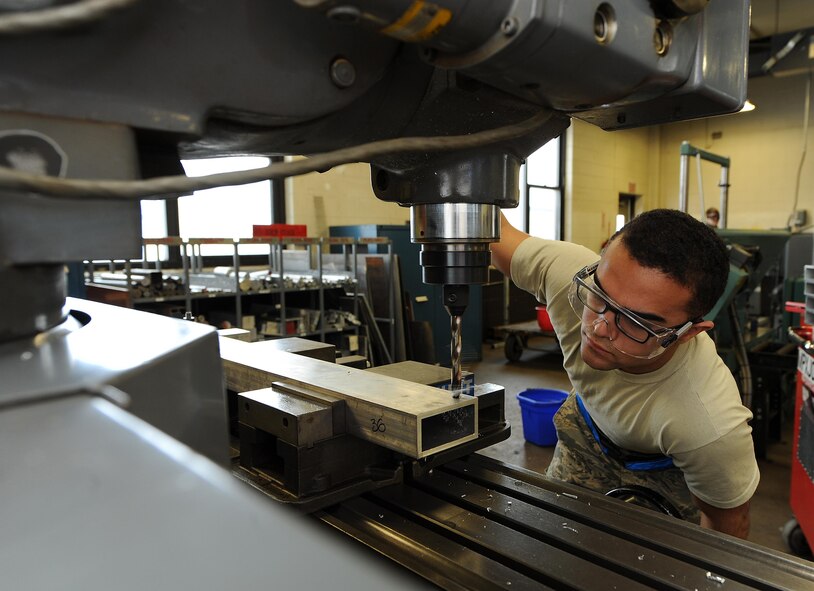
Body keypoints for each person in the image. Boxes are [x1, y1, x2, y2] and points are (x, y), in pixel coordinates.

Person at [491, 208, 757, 539]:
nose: (599, 328)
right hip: (589, 427)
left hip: (666, 466)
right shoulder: (568, 277)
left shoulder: (708, 426)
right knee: (554, 538)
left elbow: (726, 532)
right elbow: (495, 232)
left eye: (636, 322)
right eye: (600, 294)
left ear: (688, 333)